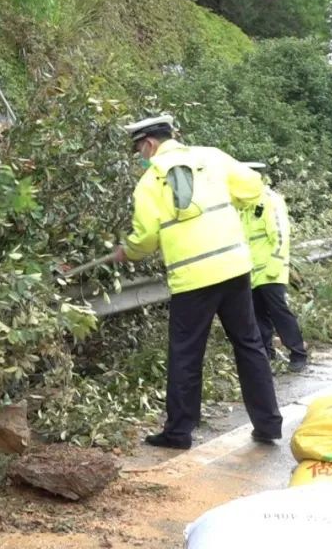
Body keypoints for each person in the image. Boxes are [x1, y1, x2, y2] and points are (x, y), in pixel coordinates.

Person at [111, 114, 283, 450]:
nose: (141, 158)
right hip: (234, 267)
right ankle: (268, 424)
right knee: (249, 345)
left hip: (193, 278)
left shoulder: (150, 181)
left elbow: (145, 238)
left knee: (186, 354)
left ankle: (178, 433)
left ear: (148, 143)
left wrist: (127, 251)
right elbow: (253, 187)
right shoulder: (212, 157)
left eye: (139, 151)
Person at [239, 164, 308, 373]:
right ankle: (266, 355)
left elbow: (280, 235)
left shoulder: (270, 200)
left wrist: (275, 264)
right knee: (258, 316)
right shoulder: (243, 205)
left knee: (279, 313)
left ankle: (298, 353)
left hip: (271, 269)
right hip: (251, 271)